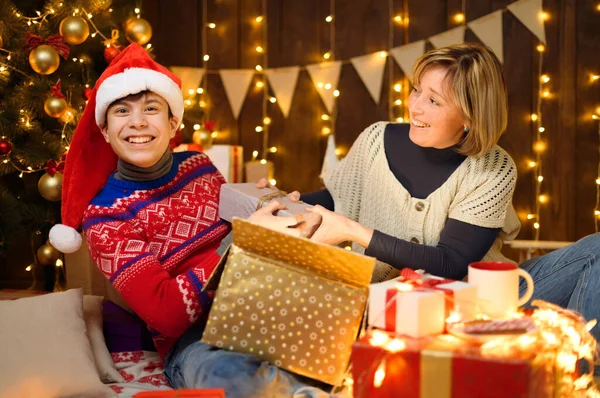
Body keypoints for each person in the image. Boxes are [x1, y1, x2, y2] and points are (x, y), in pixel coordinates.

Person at [271, 42, 600, 369]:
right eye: (416, 90)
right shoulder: (375, 139)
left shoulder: (494, 169)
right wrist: (279, 198)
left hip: (478, 304)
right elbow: (336, 198)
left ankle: (583, 379)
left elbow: (450, 264)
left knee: (596, 249)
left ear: (470, 115)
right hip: (390, 302)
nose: (415, 107)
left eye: (434, 100)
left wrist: (353, 231)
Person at [49, 43, 328, 397]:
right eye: (122, 111)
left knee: (351, 340)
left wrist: (266, 204)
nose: (137, 122)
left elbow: (244, 233)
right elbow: (168, 315)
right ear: (104, 130)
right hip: (196, 341)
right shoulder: (105, 218)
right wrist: (242, 238)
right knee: (234, 380)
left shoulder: (200, 167)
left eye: (151, 108)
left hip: (263, 305)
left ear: (172, 121)